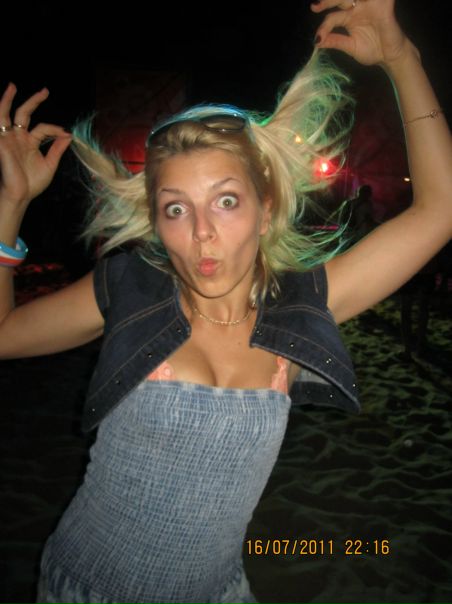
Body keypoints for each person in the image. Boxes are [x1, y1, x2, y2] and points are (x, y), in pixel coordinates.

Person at [1, 1, 451, 602]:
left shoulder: (301, 305)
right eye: (176, 208)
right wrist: (9, 206)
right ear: (156, 223)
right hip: (84, 588)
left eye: (227, 201)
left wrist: (401, 56)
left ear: (266, 209)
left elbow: (440, 211)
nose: (202, 233)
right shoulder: (131, 288)